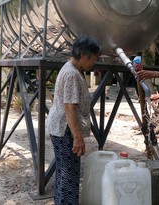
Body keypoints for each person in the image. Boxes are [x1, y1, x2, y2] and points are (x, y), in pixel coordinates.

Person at [46, 34, 101, 205]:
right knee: (69, 176)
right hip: (65, 130)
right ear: (84, 55)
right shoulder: (71, 74)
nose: (94, 63)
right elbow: (70, 107)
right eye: (94, 58)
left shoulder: (72, 69)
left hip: (61, 128)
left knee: (64, 173)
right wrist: (77, 138)